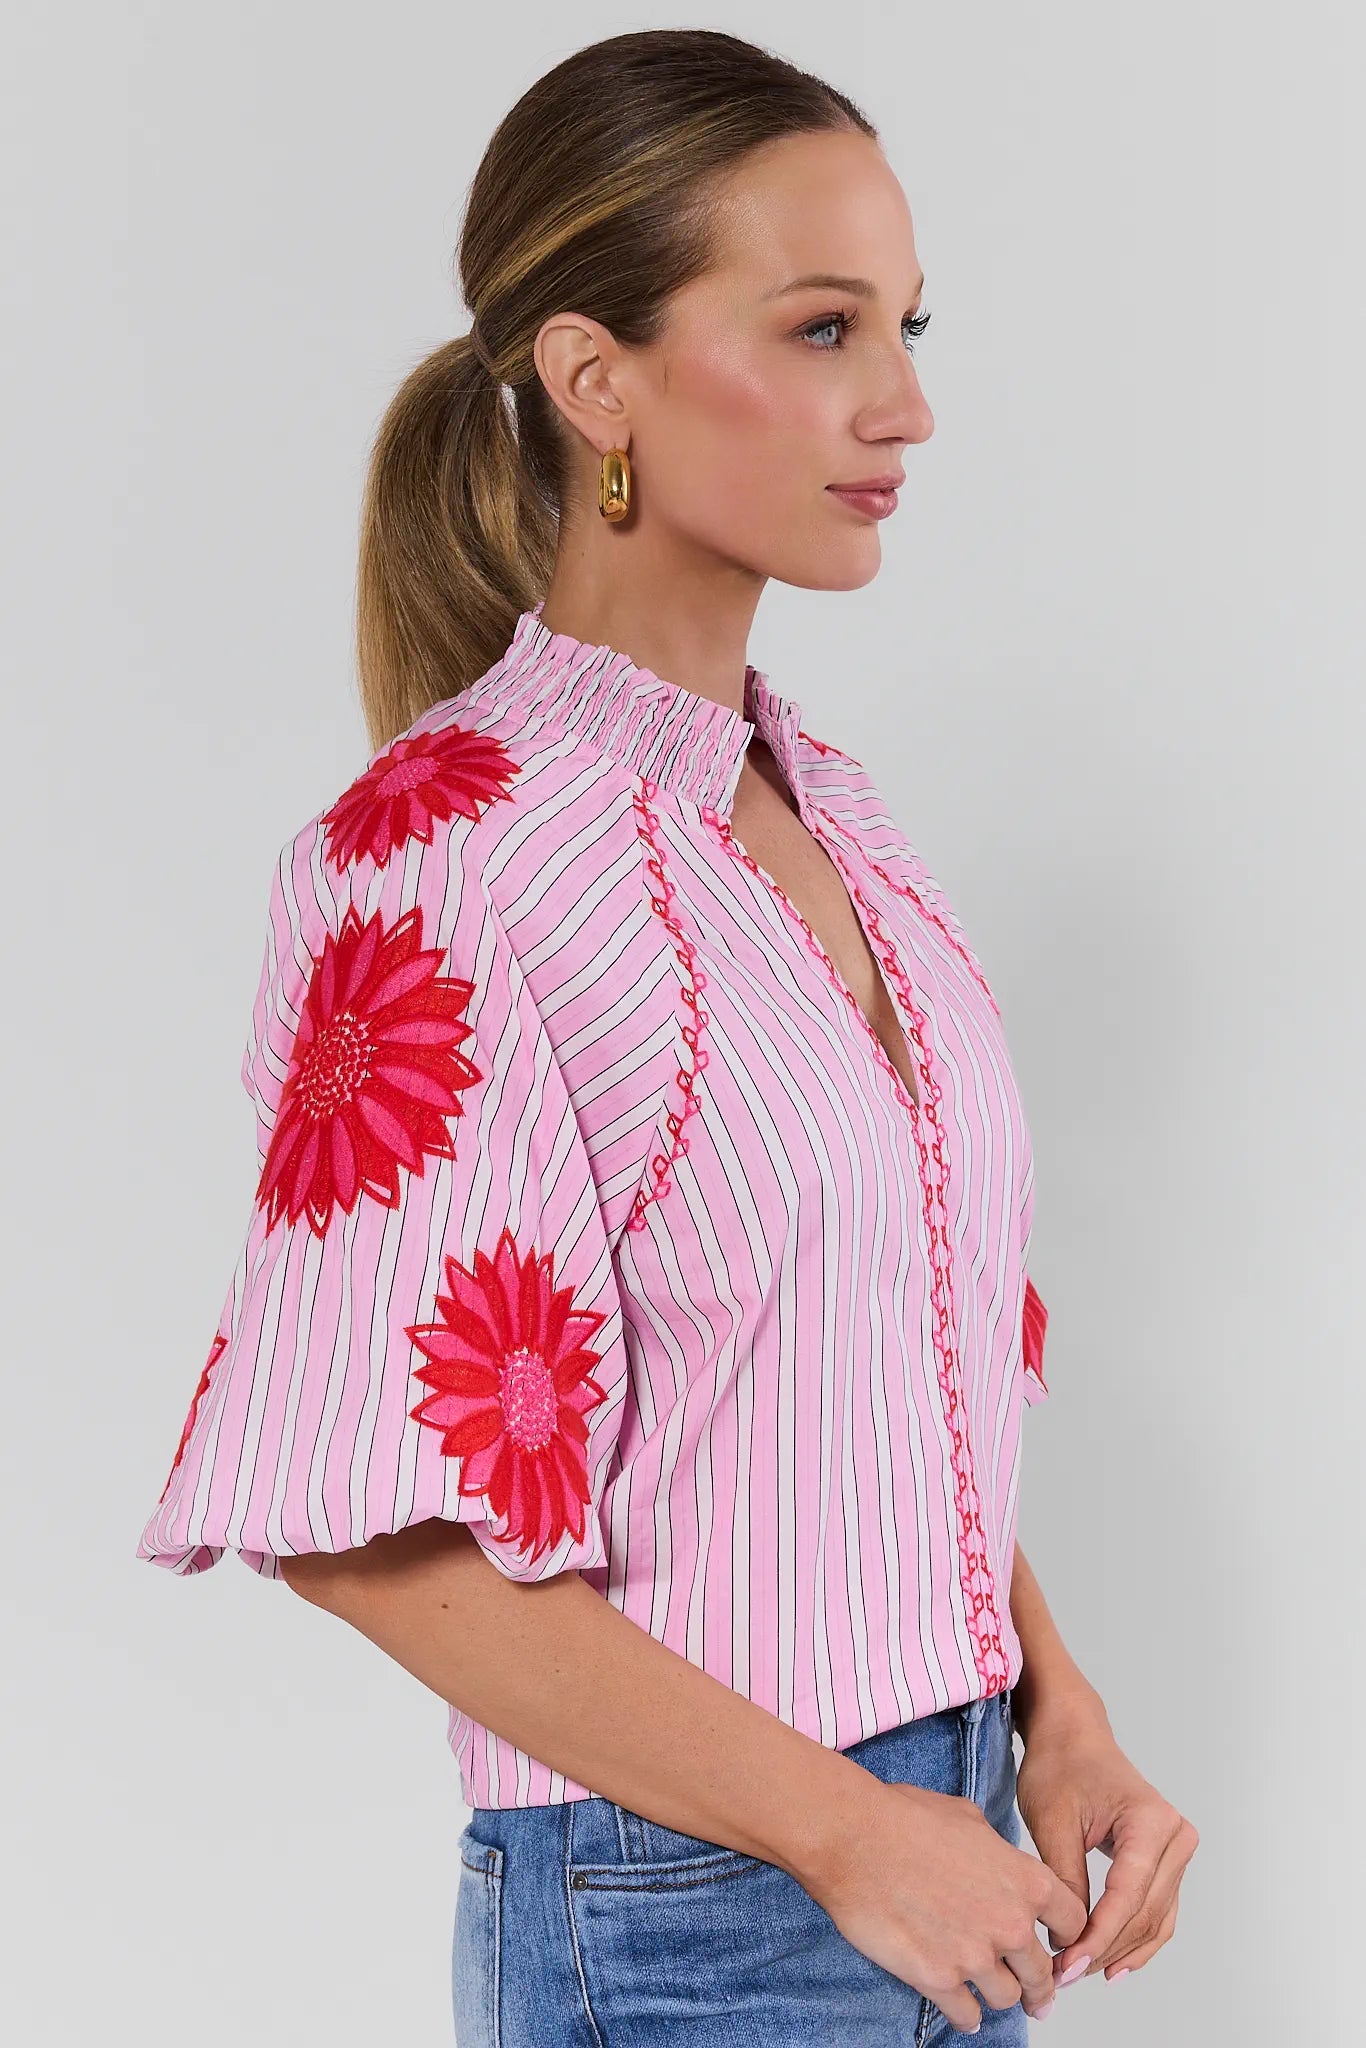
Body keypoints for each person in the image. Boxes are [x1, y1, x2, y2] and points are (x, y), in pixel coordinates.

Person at [135, 27, 1198, 2046]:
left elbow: (866, 1377)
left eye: (901, 322)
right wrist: (844, 1834)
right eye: (818, 328)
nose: (902, 403)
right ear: (590, 373)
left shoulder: (825, 811)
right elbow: (369, 1533)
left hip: (941, 1859)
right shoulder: (440, 856)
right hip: (692, 1913)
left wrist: (1058, 1717)